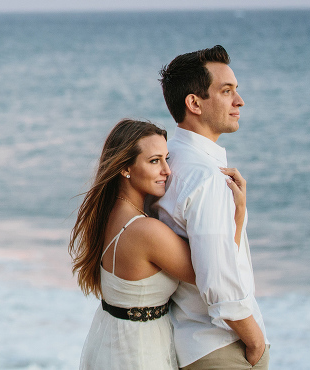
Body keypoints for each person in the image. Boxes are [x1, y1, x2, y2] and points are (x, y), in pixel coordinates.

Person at [70, 119, 247, 370]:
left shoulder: (108, 214)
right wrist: (238, 214)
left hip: (110, 341)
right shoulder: (145, 231)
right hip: (139, 353)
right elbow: (214, 271)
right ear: (125, 168)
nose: (167, 170)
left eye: (167, 158)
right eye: (154, 161)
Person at [154, 45, 269, 369]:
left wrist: (239, 213)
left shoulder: (168, 159)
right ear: (194, 103)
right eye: (227, 91)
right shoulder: (204, 176)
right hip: (223, 346)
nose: (239, 101)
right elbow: (217, 280)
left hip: (192, 341)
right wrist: (256, 341)